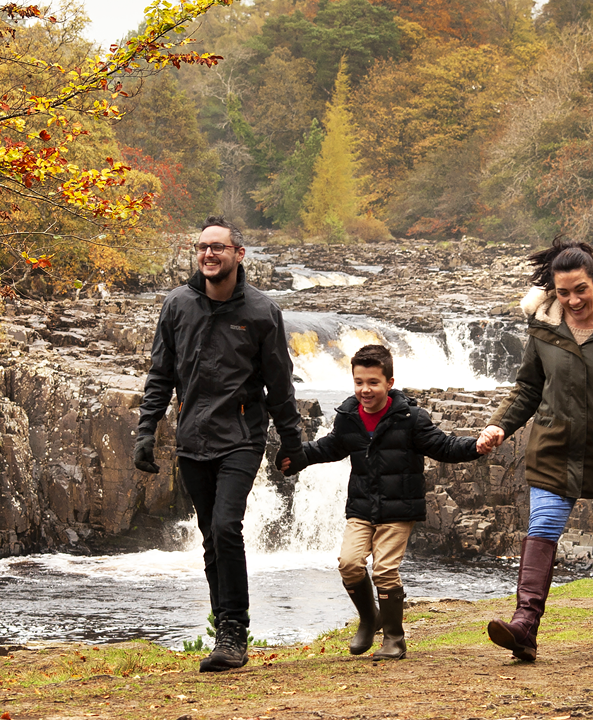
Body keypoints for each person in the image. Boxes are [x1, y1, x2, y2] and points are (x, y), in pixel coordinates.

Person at [476, 238, 593, 661]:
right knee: (542, 526)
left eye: (580, 289)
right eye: (563, 292)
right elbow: (528, 388)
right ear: (553, 291)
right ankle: (525, 625)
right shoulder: (543, 328)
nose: (573, 300)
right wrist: (498, 426)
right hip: (555, 446)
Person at [135, 216, 304, 673]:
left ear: (238, 255)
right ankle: (224, 632)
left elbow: (280, 385)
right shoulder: (177, 306)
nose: (209, 254)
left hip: (241, 439)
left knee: (228, 527)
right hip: (192, 441)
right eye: (203, 248)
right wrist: (146, 431)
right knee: (211, 539)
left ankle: (234, 631)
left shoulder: (261, 312)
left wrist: (294, 443)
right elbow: (160, 376)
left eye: (219, 248)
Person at [281, 344, 491, 660]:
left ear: (389, 383)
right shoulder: (348, 416)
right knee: (349, 565)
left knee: (384, 570)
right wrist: (296, 458)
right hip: (362, 507)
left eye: (373, 382)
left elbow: (443, 446)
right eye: (359, 382)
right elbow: (330, 447)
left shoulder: (411, 418)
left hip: (398, 508)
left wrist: (476, 446)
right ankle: (370, 619)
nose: (365, 389)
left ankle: (394, 638)